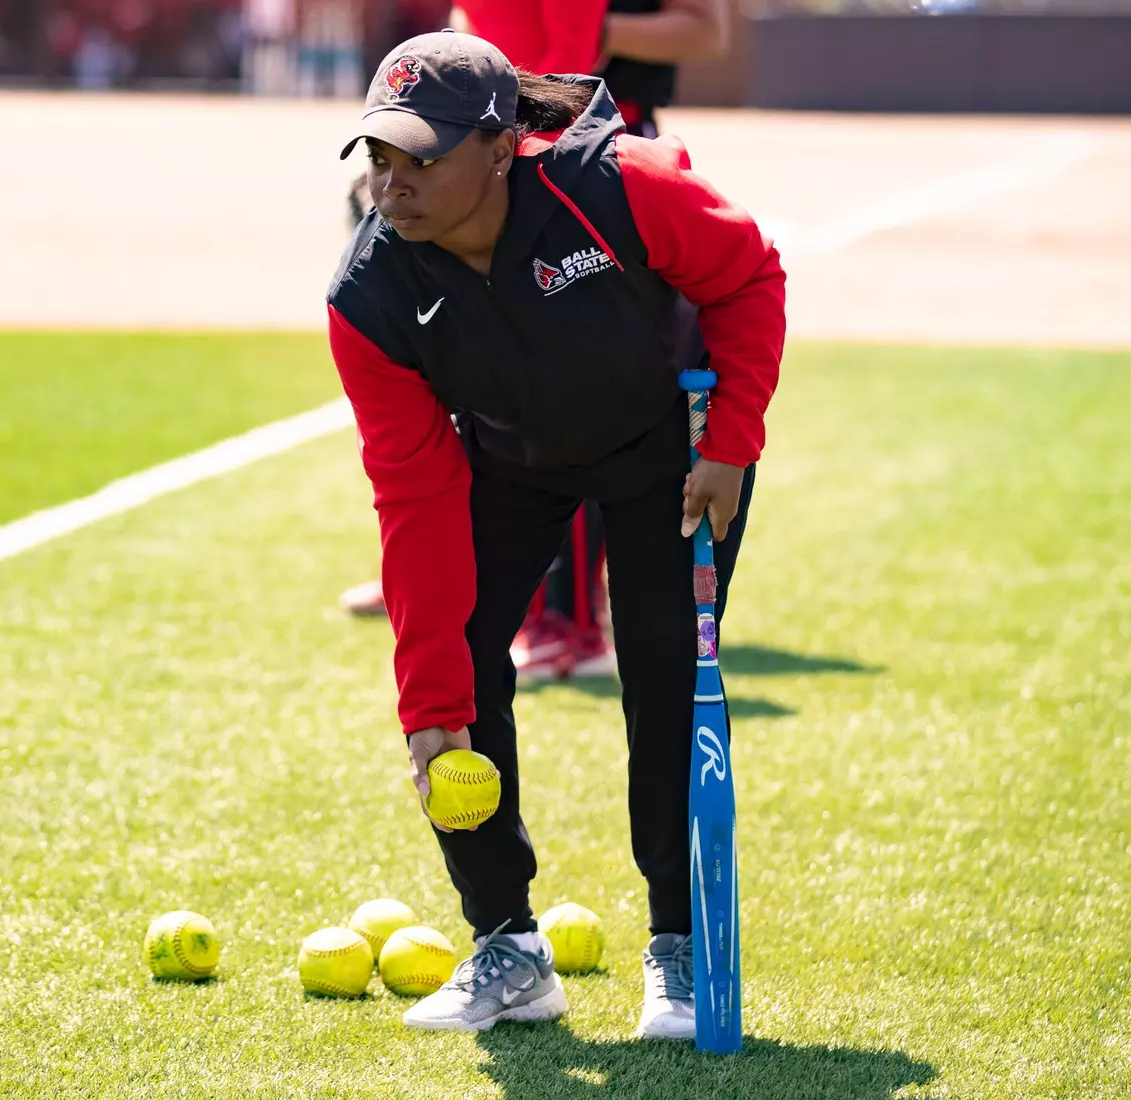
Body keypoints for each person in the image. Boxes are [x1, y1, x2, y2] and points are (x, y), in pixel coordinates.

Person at [328, 31, 783, 1037]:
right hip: (508, 460)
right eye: (379, 156)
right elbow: (411, 499)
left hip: (671, 448)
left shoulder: (624, 184)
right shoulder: (369, 296)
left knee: (664, 674)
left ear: (499, 149)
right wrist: (430, 703)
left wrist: (735, 443)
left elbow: (747, 276)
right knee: (461, 665)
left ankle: (678, 944)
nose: (392, 183)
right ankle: (507, 943)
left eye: (421, 156)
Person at [341, 0, 732, 686]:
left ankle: (571, 619)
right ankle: (440, 587)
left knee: (574, 396)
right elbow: (468, 35)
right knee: (469, 393)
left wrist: (507, 143)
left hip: (554, 149)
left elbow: (702, 33)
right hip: (474, 144)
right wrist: (419, 143)